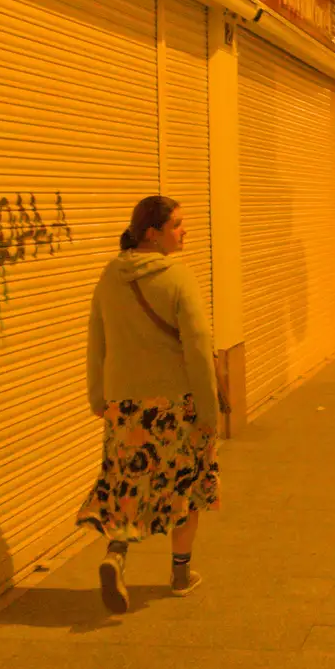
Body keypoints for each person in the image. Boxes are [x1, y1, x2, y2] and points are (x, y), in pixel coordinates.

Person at [77, 195, 221, 613]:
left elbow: (96, 341)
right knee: (186, 490)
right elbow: (197, 348)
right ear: (153, 233)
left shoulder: (110, 275)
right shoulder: (178, 277)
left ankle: (115, 556)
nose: (184, 231)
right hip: (176, 405)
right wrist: (208, 411)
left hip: (125, 405)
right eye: (177, 224)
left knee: (127, 486)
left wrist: (97, 397)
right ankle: (179, 574)